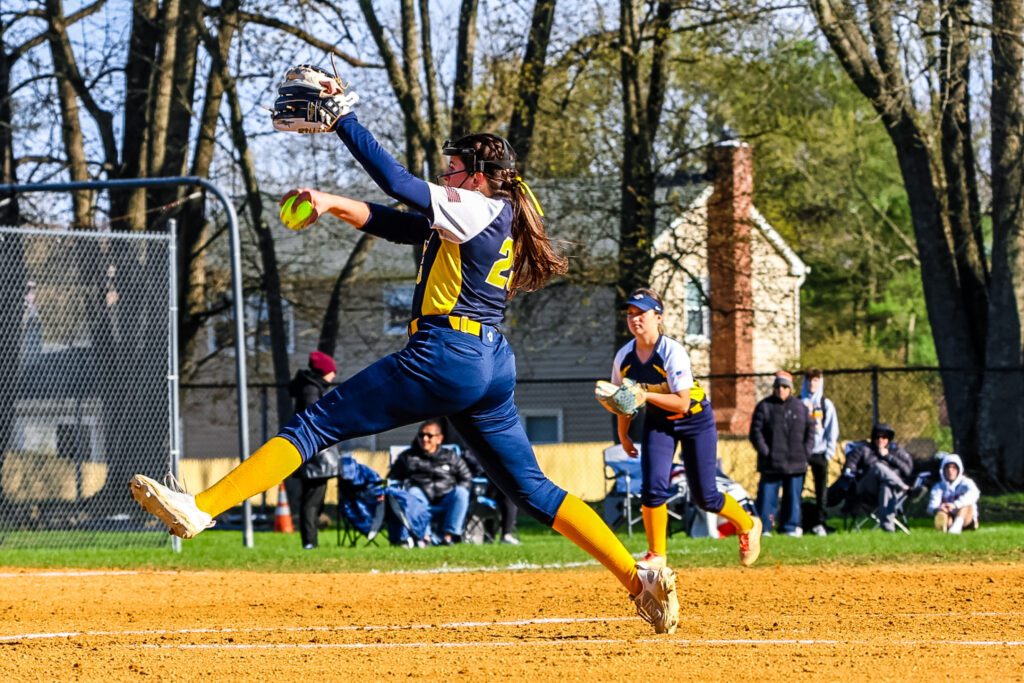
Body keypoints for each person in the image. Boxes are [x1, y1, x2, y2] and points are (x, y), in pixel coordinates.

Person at [128, 85, 680, 634]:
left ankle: (201, 508)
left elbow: (396, 183)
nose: (445, 178)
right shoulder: (494, 213)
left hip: (448, 354)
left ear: (481, 175)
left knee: (315, 424)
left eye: (454, 169)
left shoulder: (479, 205)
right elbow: (401, 224)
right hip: (489, 360)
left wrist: (344, 118)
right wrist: (330, 202)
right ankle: (641, 583)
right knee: (534, 490)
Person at [611, 287, 762, 568]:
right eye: (630, 314)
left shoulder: (671, 351)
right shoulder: (624, 357)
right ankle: (657, 554)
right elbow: (623, 399)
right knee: (653, 487)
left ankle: (748, 523)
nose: (634, 319)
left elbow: (681, 403)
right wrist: (624, 434)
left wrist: (645, 396)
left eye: (641, 313)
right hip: (659, 421)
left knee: (706, 496)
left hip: (694, 419)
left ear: (658, 317)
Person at [749, 371, 814, 537]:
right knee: (767, 499)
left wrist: (805, 453)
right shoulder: (764, 406)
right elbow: (756, 433)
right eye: (778, 386)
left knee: (792, 499)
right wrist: (766, 453)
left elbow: (810, 432)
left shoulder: (800, 407)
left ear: (790, 388)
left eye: (785, 386)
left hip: (796, 463)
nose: (781, 389)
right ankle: (765, 527)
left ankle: (790, 527)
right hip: (771, 464)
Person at [389, 419, 472, 545]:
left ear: (439, 439)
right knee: (413, 492)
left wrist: (459, 488)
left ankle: (448, 537)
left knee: (461, 492)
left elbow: (466, 477)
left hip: (446, 498)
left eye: (429, 436)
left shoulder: (451, 457)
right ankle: (424, 536)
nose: (424, 439)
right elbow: (393, 478)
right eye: (421, 435)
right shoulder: (408, 457)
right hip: (419, 501)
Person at [289, 350, 340, 549]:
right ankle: (310, 542)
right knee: (311, 500)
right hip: (315, 456)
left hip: (314, 455)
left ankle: (312, 534)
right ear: (323, 371)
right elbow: (316, 417)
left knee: (313, 499)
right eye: (331, 371)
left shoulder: (310, 386)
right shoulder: (311, 389)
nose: (334, 375)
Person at [842, 423, 913, 532]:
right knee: (878, 467)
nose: (880, 440)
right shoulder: (863, 449)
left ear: (889, 439)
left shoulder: (896, 451)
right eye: (877, 437)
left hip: (889, 492)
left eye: (884, 437)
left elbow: (907, 471)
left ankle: (888, 528)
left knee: (886, 486)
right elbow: (849, 467)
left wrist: (888, 457)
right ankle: (905, 487)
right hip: (866, 489)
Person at [799, 368, 840, 536]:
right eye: (809, 380)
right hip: (800, 454)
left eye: (815, 380)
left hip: (820, 453)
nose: (812, 384)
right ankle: (797, 522)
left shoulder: (826, 404)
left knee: (821, 490)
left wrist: (828, 452)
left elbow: (832, 430)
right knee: (796, 489)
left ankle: (820, 523)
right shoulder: (798, 403)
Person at [926, 452, 980, 534]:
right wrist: (939, 508)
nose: (950, 471)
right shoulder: (938, 487)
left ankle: (957, 527)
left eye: (954, 468)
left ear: (959, 470)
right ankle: (945, 527)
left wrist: (955, 504)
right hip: (950, 516)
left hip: (966, 517)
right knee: (941, 513)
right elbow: (931, 506)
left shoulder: (966, 482)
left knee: (966, 505)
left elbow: (974, 494)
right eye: (947, 468)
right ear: (943, 470)